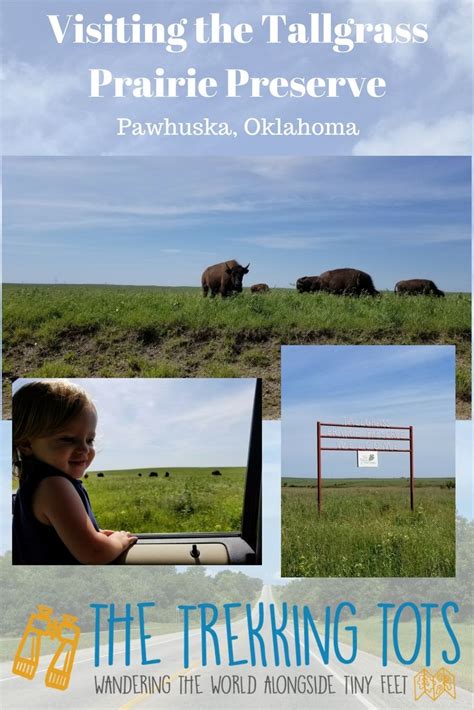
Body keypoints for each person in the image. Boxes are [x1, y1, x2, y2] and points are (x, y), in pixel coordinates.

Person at [12, 380, 137, 564]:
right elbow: (95, 553)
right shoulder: (54, 486)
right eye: (68, 439)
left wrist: (92, 534)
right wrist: (118, 541)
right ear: (27, 444)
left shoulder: (33, 484)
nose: (85, 450)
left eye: (89, 440)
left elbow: (52, 537)